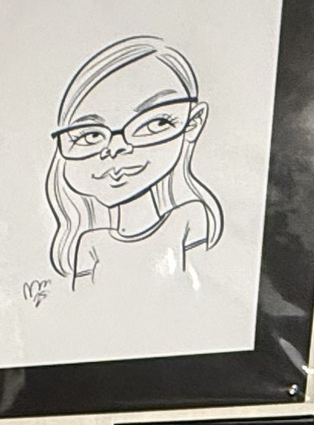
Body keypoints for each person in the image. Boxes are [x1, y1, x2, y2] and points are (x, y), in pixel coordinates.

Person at [45, 38, 223, 287]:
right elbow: (81, 308)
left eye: (155, 122)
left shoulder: (190, 218)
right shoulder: (89, 244)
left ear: (192, 123)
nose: (116, 148)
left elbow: (206, 299)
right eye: (91, 135)